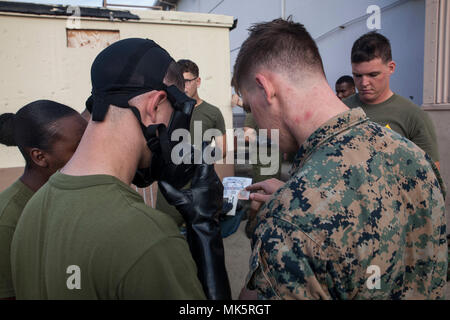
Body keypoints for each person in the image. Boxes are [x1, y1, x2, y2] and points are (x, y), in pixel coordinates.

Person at [232, 18, 447, 299]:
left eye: (250, 105)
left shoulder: (289, 222)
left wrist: (290, 210)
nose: (257, 121)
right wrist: (296, 197)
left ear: (266, 88)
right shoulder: (415, 159)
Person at [11, 38, 231, 300]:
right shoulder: (149, 238)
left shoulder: (31, 210)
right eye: (177, 116)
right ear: (155, 106)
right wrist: (205, 230)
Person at [0, 100, 87, 299]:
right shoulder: (6, 220)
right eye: (79, 148)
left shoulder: (73, 197)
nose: (91, 154)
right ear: (39, 157)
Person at [343, 32, 440, 170]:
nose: (364, 83)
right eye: (357, 75)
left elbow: (431, 176)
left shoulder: (413, 116)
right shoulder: (340, 109)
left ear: (391, 68)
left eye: (373, 74)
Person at [156, 59, 227, 226]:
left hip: (199, 190)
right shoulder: (164, 109)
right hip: (169, 189)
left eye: (187, 81)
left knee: (198, 241)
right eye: (180, 82)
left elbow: (222, 149)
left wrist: (201, 157)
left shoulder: (212, 113)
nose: (184, 87)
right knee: (168, 237)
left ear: (198, 81)